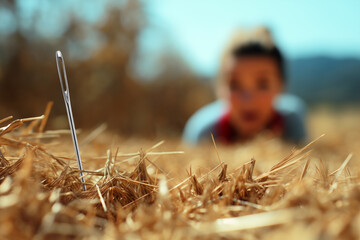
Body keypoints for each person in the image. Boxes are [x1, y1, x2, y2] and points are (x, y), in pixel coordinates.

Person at [183, 27, 306, 145]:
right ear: (220, 88)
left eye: (263, 84)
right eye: (235, 85)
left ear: (281, 85)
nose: (248, 100)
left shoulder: (291, 121)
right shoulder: (203, 133)